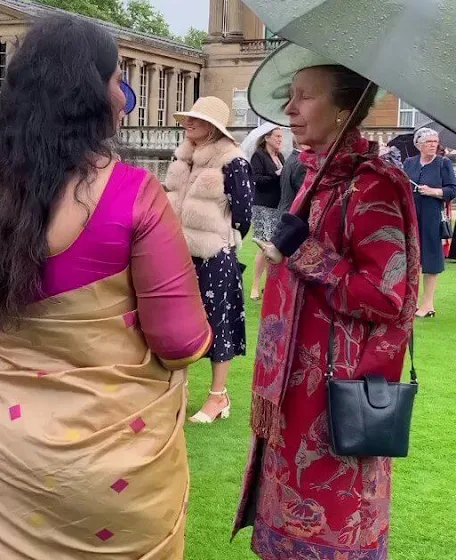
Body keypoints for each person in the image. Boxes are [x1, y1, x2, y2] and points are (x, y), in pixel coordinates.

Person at [0, 15, 212, 560]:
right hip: (113, 464)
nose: (122, 97)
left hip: (3, 453)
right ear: (90, 92)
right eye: (115, 80)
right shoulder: (136, 194)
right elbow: (181, 342)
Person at [232, 47, 420, 560]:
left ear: (344, 108)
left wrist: (306, 252)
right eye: (288, 97)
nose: (289, 109)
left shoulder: (373, 185)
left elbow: (387, 294)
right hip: (291, 394)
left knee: (332, 530)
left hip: (334, 397)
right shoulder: (313, 175)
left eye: (304, 96)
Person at [165, 96, 252, 424]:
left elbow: (243, 213)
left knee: (218, 322)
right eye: (188, 119)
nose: (189, 124)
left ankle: (217, 396)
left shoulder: (233, 161)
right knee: (178, 323)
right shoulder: (182, 156)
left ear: (213, 129)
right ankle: (180, 391)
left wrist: (218, 237)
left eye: (197, 120)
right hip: (176, 253)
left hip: (214, 255)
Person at [403, 127, 456, 317]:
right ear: (418, 145)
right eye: (428, 142)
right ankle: (411, 302)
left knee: (431, 260)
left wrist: (433, 191)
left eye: (435, 142)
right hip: (411, 215)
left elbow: (452, 190)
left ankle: (428, 305)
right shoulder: (409, 163)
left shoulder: (443, 164)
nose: (433, 145)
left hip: (432, 216)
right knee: (410, 259)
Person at [249, 124, 284, 300]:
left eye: (281, 136)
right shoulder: (259, 156)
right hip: (263, 206)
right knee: (265, 246)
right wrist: (276, 176)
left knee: (274, 247)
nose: (280, 139)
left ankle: (270, 286)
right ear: (267, 138)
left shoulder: (281, 157)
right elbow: (255, 179)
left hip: (277, 206)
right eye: (277, 136)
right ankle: (255, 287)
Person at [276, 140, 308, 214]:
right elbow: (304, 191)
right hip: (294, 211)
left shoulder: (291, 158)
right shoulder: (301, 163)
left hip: (285, 208)